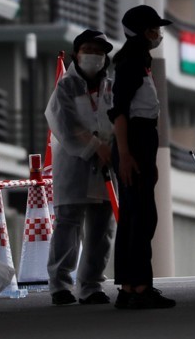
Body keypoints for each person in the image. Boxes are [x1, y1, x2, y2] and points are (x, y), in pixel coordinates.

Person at [109, 5, 176, 309]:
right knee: (139, 217)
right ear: (142, 32)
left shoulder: (138, 59)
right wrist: (125, 155)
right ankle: (136, 287)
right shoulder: (131, 61)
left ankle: (132, 286)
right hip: (133, 141)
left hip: (140, 142)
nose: (157, 34)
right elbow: (120, 112)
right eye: (153, 29)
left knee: (139, 215)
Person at [45, 29, 116, 306]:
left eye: (100, 52)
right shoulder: (66, 86)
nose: (94, 56)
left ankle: (91, 285)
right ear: (76, 54)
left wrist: (110, 150)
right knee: (68, 225)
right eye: (89, 50)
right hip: (74, 164)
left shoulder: (111, 87)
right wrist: (95, 147)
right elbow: (64, 123)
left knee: (102, 228)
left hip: (107, 163)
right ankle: (60, 284)